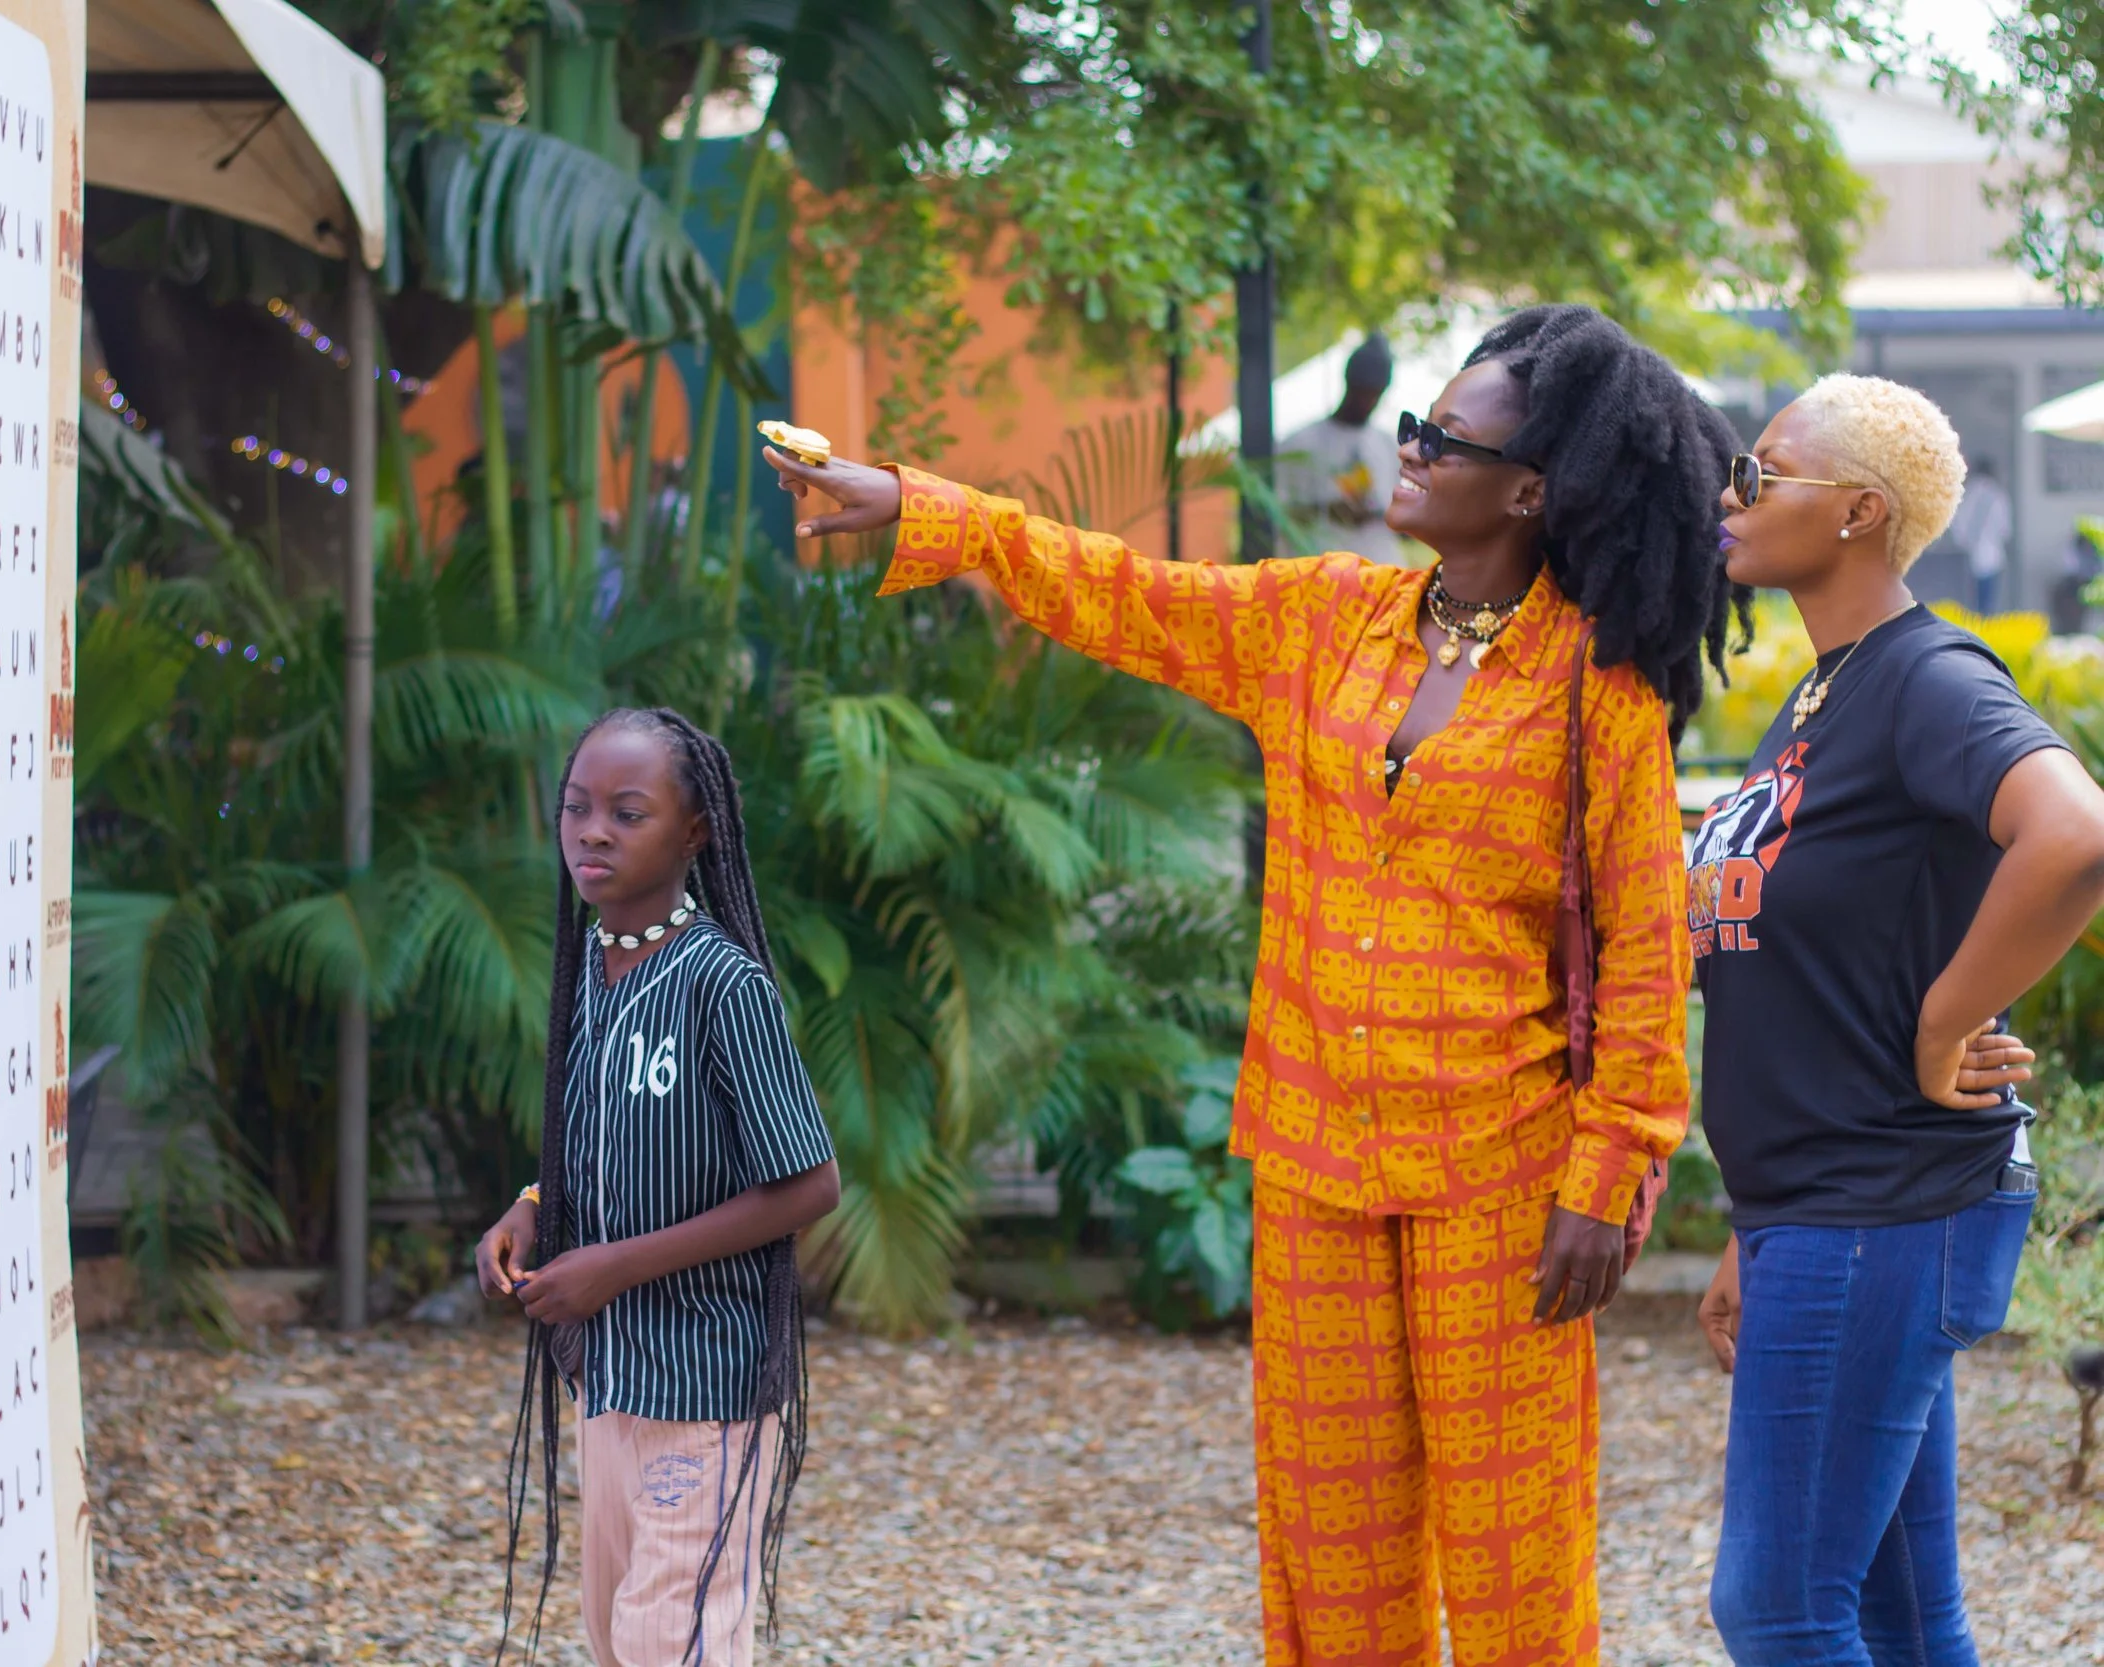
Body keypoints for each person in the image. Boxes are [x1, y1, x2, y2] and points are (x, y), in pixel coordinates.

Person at [771, 304, 1742, 1666]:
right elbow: (1114, 590)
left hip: (1501, 1182)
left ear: (1534, 489)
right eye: (1411, 420)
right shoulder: (1323, 621)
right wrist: (929, 511)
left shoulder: (1601, 693)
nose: (1402, 450)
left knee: (1516, 1563)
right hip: (1312, 1158)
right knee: (1331, 1551)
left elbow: (1646, 954)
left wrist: (1613, 1169)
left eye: (1440, 436)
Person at [1690, 375, 2104, 1664]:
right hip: (1828, 1203)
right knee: (1898, 1613)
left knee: (1777, 1605)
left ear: (1859, 511)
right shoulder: (1825, 692)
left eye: (1761, 475)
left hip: (1884, 1199)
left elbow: (2074, 833)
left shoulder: (1923, 677)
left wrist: (1946, 1022)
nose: (1729, 497)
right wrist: (1754, 1220)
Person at [477, 707, 841, 1667]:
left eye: (627, 812)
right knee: (615, 1634)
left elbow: (810, 1183)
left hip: (706, 1379)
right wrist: (529, 1208)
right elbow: (598, 1137)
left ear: (695, 831)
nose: (591, 831)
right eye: (576, 807)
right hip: (611, 1375)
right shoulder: (593, 970)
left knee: (667, 1640)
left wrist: (612, 1268)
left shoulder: (723, 984)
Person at [1277, 332, 1410, 564]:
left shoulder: (1389, 445)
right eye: (1362, 391)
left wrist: (1377, 515)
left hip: (1381, 573)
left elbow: (1405, 520)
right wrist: (1328, 510)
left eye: (1375, 394)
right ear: (1349, 383)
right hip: (1321, 577)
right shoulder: (1300, 443)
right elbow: (1278, 513)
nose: (1367, 401)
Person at [1951, 455, 2012, 616]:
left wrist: (1966, 542)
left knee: (1969, 604)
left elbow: (1957, 525)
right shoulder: (1998, 494)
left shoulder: (1966, 494)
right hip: (1993, 556)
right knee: (1988, 604)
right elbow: (2005, 529)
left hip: (1968, 556)